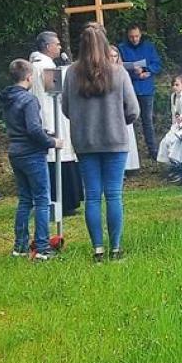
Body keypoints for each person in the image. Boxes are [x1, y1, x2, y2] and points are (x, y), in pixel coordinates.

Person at [63, 26, 140, 262]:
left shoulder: (71, 74)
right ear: (105, 45)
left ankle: (97, 249)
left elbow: (66, 109)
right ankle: (115, 249)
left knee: (93, 196)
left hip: (86, 142)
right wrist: (118, 121)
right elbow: (133, 110)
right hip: (115, 139)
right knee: (114, 194)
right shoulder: (119, 73)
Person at [0, 59, 62, 261]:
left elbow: (22, 127)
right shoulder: (29, 100)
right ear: (29, 77)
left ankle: (20, 246)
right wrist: (52, 141)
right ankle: (42, 247)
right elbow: (33, 129)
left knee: (25, 200)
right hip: (32, 153)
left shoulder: (7, 98)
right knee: (42, 200)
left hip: (15, 151)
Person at [30, 31, 82, 216]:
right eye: (57, 44)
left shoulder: (36, 65)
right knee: (57, 157)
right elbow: (53, 92)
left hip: (47, 113)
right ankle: (64, 202)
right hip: (50, 115)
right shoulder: (44, 65)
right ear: (47, 46)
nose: (60, 47)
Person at [118, 24, 162, 160]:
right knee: (130, 121)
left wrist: (147, 71)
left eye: (136, 36)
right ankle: (132, 152)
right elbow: (119, 67)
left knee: (147, 120)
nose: (134, 39)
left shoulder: (149, 47)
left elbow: (157, 64)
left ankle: (153, 150)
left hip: (146, 88)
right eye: (131, 37)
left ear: (140, 34)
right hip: (130, 89)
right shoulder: (122, 48)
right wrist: (132, 70)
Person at [108, 45, 140, 173]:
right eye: (110, 56)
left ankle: (128, 166)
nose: (113, 59)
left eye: (115, 56)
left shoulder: (122, 72)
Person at [157, 74, 182, 165]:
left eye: (177, 85)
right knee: (166, 141)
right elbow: (173, 112)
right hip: (177, 125)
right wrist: (174, 124)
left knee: (176, 141)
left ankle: (179, 165)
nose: (174, 87)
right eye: (173, 85)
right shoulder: (173, 96)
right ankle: (171, 165)